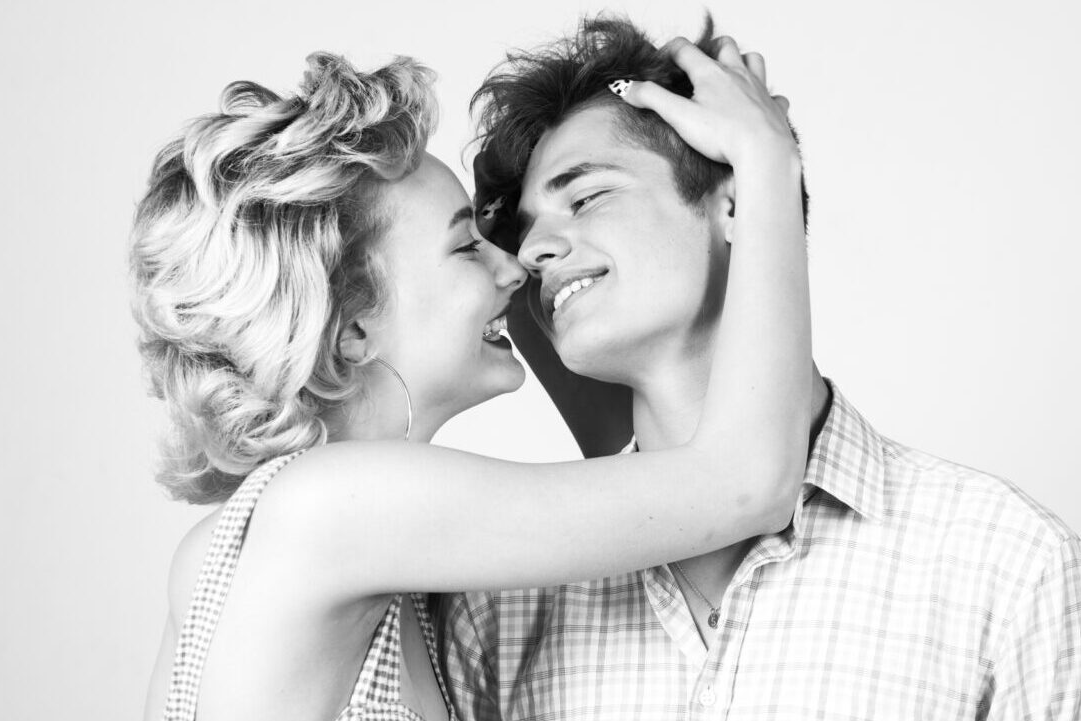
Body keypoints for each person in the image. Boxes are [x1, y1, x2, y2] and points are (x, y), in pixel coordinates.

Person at [442, 15, 1081, 720]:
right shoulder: (502, 607)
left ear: (736, 201)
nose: (537, 249)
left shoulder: (1006, 562)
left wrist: (769, 163)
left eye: (585, 197)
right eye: (526, 228)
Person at [133, 46, 810, 721]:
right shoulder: (342, 506)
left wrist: (591, 305)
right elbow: (746, 484)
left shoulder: (265, 542)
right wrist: (763, 164)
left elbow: (624, 467)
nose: (517, 271)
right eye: (466, 247)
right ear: (353, 330)